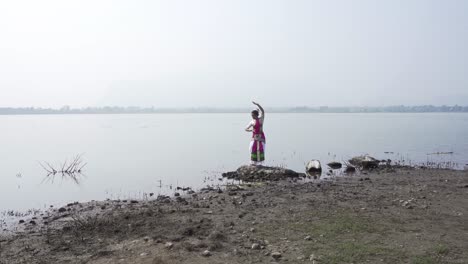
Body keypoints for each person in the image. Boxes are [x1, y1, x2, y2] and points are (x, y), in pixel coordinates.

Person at [245, 101, 266, 166]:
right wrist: (251, 130)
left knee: (260, 149)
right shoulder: (252, 121)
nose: (252, 116)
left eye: (253, 115)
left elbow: (263, 111)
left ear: (256, 115)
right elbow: (246, 129)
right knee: (252, 148)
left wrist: (257, 104)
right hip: (254, 137)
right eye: (251, 115)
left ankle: (260, 163)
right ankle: (253, 162)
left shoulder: (261, 119)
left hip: (261, 137)